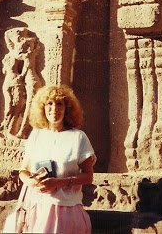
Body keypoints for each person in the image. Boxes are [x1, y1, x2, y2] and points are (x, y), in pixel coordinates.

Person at [5, 84, 96, 233]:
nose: (54, 109)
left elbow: (88, 176)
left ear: (67, 108)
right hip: (35, 210)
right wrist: (33, 182)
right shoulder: (36, 135)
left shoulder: (78, 137)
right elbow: (23, 171)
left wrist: (59, 182)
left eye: (59, 104)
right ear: (42, 108)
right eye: (49, 104)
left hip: (66, 211)